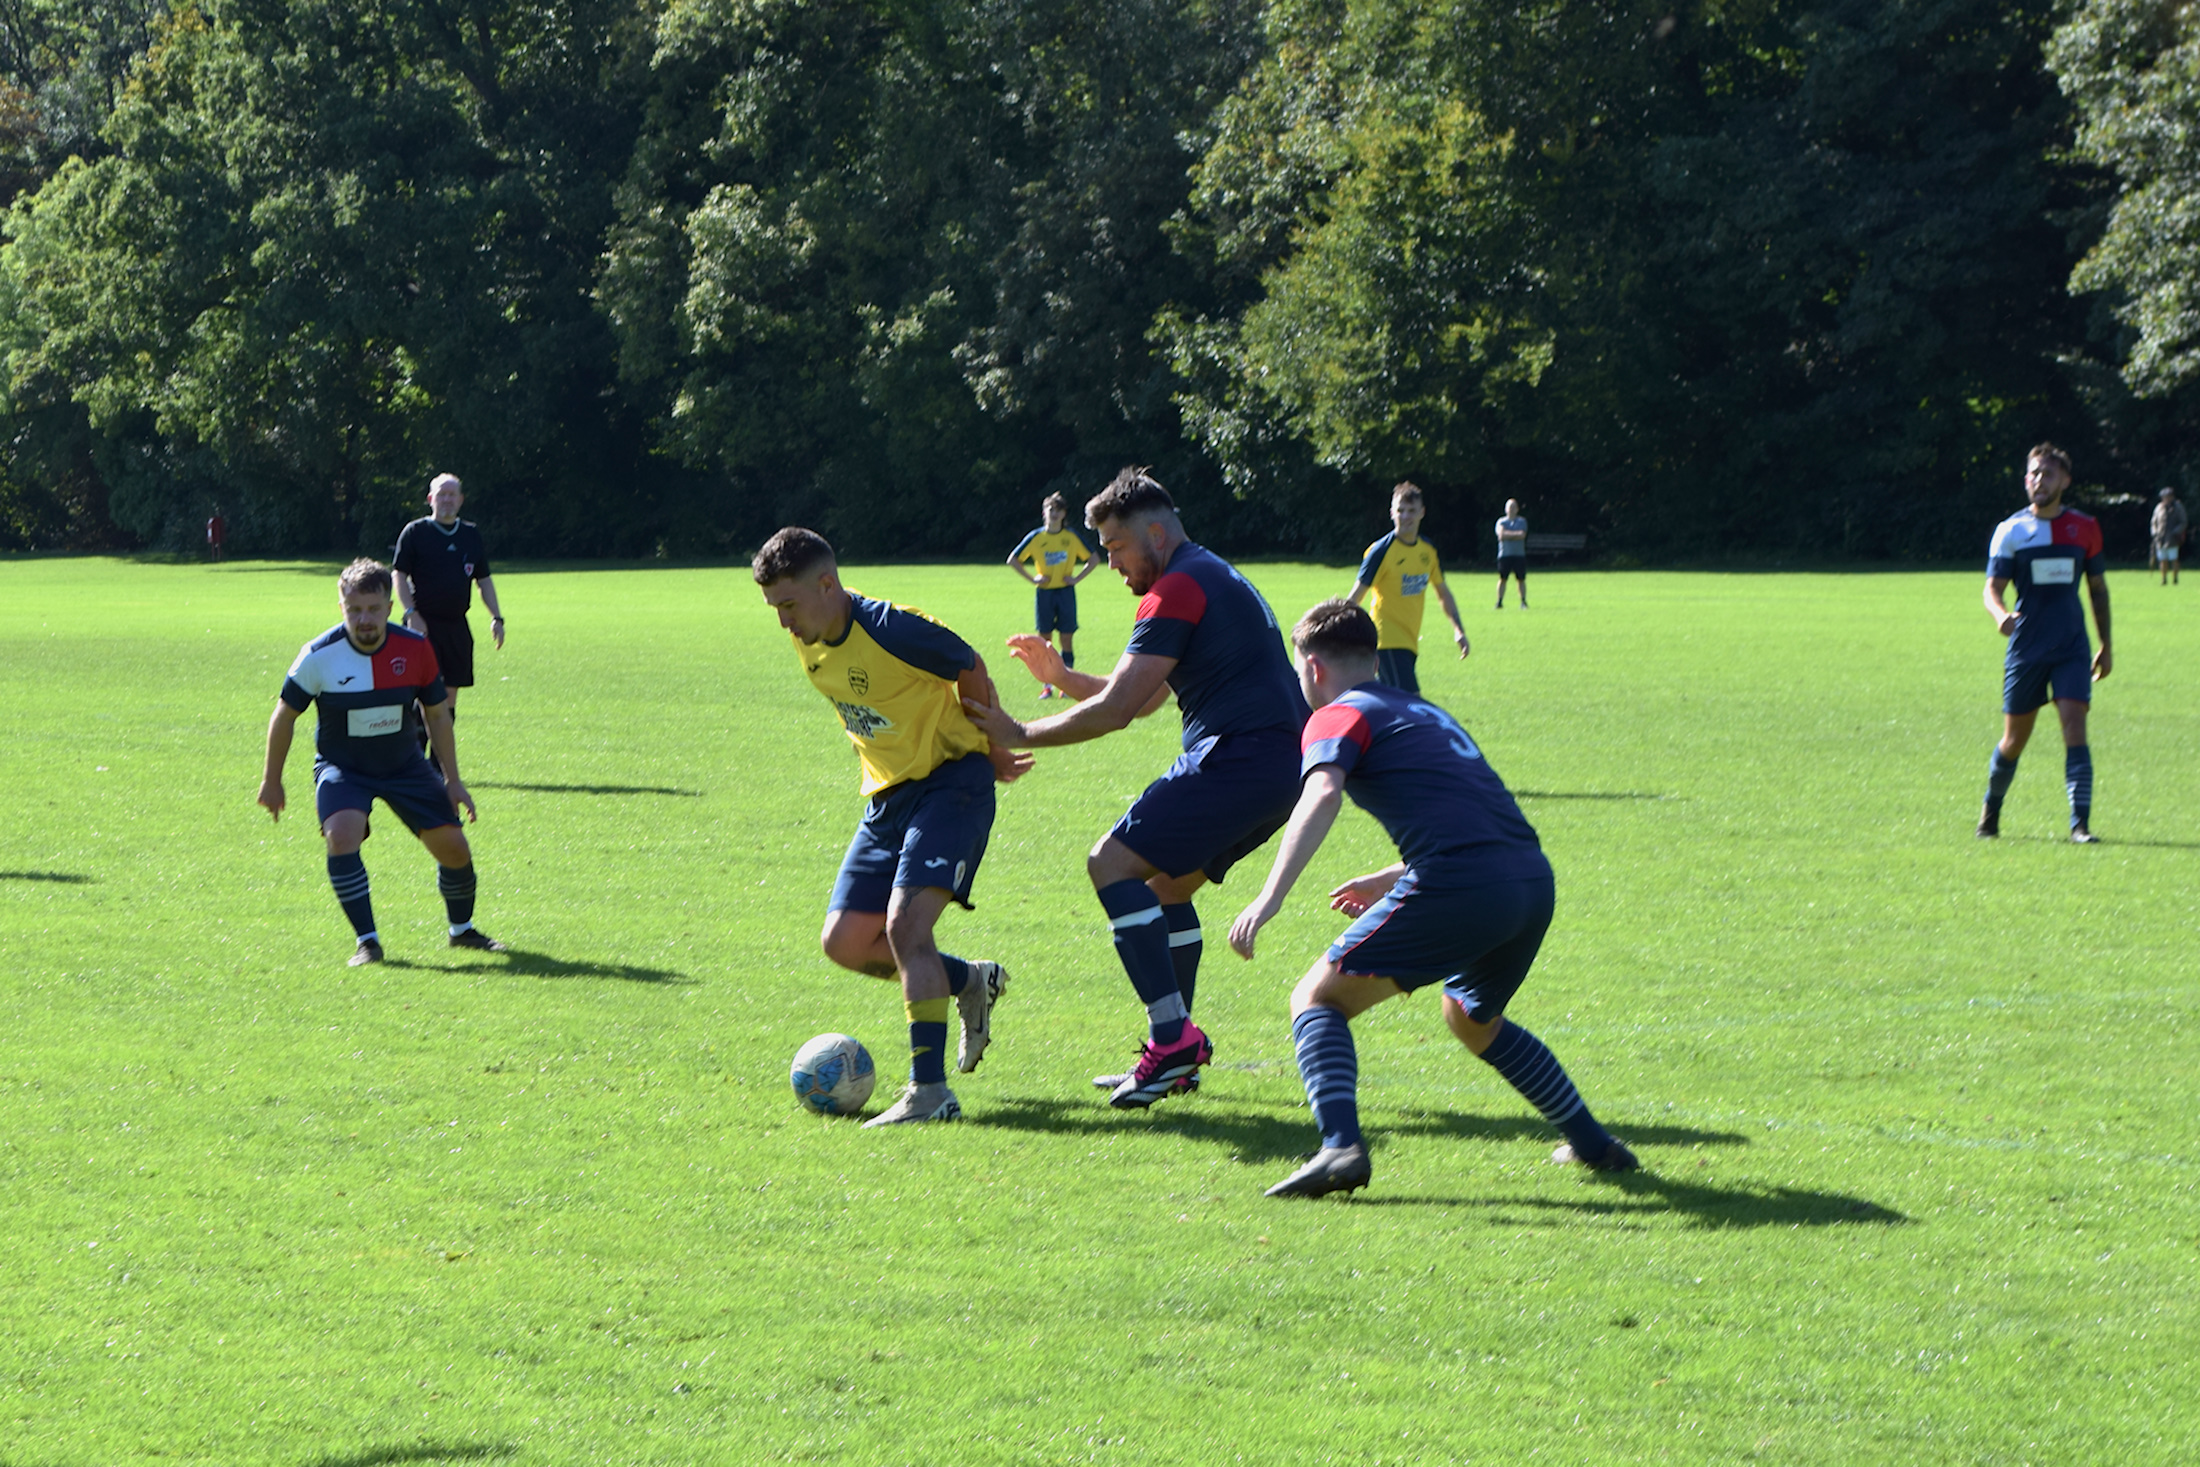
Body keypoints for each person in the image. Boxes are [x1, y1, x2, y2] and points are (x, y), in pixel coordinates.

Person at [1227, 600, 1636, 1197]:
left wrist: (1269, 897)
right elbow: (1478, 814)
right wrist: (1392, 876)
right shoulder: (1422, 711)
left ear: (1313, 668)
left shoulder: (1337, 714)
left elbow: (1321, 794)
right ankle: (1595, 1146)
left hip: (1461, 882)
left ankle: (1340, 1148)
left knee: (1316, 997)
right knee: (1471, 1016)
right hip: (1528, 879)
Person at [962, 468, 1308, 1108]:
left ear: (1156, 534)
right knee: (1166, 887)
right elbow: (1145, 697)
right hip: (1281, 767)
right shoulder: (1209, 573)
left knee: (1110, 864)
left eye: (1116, 547)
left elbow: (1120, 709)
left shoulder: (1176, 588)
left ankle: (1172, 1041)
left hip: (1238, 756)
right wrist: (1063, 677)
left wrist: (1019, 731)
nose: (1111, 563)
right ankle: (1177, 1053)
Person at [755, 527, 1027, 1127]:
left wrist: (992, 746)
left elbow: (968, 663)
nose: (783, 622)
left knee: (906, 926)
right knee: (846, 942)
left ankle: (930, 1093)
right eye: (774, 608)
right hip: (887, 799)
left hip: (950, 784)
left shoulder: (892, 629)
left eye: (789, 605)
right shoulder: (808, 636)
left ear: (828, 585)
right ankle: (969, 980)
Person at [257, 559, 507, 966]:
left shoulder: (415, 648)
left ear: (389, 608)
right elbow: (284, 716)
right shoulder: (318, 655)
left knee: (455, 849)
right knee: (342, 835)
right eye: (354, 609)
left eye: (373, 609)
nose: (364, 619)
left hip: (405, 766)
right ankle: (368, 943)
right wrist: (272, 779)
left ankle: (462, 931)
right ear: (342, 608)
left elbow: (437, 714)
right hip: (344, 768)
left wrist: (453, 780)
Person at [1979, 442, 2111, 844]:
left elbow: (2098, 588)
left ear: (2065, 481)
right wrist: (2001, 615)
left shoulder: (2085, 527)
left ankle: (2080, 825)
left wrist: (2106, 643)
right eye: (2034, 473)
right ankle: (1990, 811)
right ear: (2026, 480)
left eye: (2048, 474)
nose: (2040, 480)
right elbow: (1992, 589)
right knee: (2014, 741)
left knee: (2075, 726)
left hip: (2071, 646)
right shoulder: (2011, 531)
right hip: (2027, 649)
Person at [392, 474, 505, 766]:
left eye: (452, 494)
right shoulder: (415, 532)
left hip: (456, 627)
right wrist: (411, 614)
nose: (447, 500)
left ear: (461, 499)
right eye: (441, 494)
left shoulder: (470, 534)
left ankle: (438, 765)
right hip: (422, 627)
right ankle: (413, 761)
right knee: (424, 695)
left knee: (449, 696)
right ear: (430, 499)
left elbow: (483, 580)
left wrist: (496, 617)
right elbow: (398, 575)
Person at [1346, 481, 1469, 693]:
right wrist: (1337, 636)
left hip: (1410, 642)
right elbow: (1355, 597)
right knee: (1411, 700)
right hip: (1386, 641)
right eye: (1400, 510)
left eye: (1411, 511)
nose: (1405, 517)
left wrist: (1458, 630)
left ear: (1422, 513)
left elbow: (1442, 592)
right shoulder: (1381, 551)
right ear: (1392, 513)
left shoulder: (1427, 551)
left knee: (1389, 702)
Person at [1006, 493, 1098, 697]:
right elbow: (1013, 559)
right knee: (1044, 641)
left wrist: (1076, 578)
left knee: (1066, 639)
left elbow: (1093, 559)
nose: (1054, 514)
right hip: (1044, 594)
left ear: (1064, 514)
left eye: (1058, 510)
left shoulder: (1071, 537)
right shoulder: (1036, 538)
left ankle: (1067, 685)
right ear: (1044, 513)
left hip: (1065, 593)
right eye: (1051, 509)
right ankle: (1047, 686)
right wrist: (1033, 579)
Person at [1494, 499, 1528, 608]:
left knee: (1521, 579)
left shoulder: (1522, 521)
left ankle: (1523, 602)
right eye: (1509, 507)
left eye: (1514, 507)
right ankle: (1499, 602)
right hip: (1504, 555)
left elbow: (1522, 535)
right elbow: (1501, 535)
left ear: (1517, 509)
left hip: (1519, 555)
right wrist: (1515, 535)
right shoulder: (1501, 522)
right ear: (1505, 509)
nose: (1511, 509)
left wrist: (1507, 534)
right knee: (1502, 579)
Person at [2150, 488, 2186, 586]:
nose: (2165, 498)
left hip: (2173, 538)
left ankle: (2175, 578)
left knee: (2174, 559)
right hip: (2160, 538)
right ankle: (2164, 578)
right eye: (2164, 497)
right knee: (2162, 560)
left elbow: (2183, 522)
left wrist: (2176, 531)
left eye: (2167, 496)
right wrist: (2155, 532)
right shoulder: (2159, 507)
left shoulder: (2178, 507)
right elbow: (2153, 522)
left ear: (2172, 497)